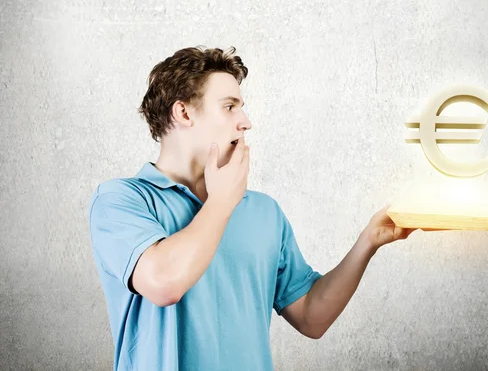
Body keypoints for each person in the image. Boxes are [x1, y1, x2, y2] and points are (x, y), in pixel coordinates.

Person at [88, 45, 416, 371]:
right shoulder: (120, 201)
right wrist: (222, 201)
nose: (245, 122)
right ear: (184, 113)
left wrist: (368, 242)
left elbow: (312, 317)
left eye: (241, 107)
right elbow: (164, 283)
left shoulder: (264, 213)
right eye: (229, 107)